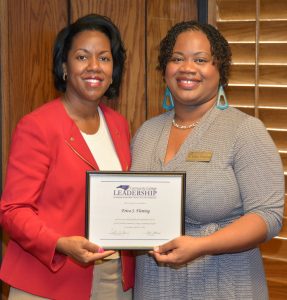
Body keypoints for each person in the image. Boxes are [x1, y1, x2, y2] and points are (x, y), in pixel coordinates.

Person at [131, 20, 285, 299]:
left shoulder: (245, 130)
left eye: (201, 60)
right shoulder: (146, 132)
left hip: (223, 283)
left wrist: (202, 245)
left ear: (220, 71)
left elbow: (268, 215)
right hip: (154, 286)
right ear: (164, 68)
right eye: (177, 58)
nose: (187, 68)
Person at [0, 14, 134, 300]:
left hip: (114, 280)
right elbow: (13, 210)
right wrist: (60, 243)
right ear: (64, 66)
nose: (94, 67)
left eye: (104, 58)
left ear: (114, 70)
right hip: (49, 281)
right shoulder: (38, 126)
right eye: (82, 57)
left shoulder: (120, 125)